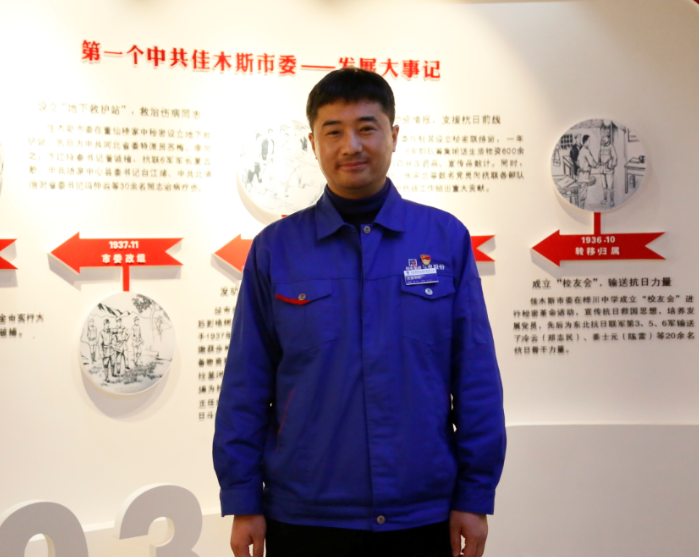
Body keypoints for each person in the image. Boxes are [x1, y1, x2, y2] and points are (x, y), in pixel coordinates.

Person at [213, 68, 505, 557]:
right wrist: (243, 499)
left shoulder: (444, 238)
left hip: (422, 511)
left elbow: (475, 375)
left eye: (367, 128)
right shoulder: (276, 249)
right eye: (334, 131)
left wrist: (475, 495)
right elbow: (247, 382)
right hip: (305, 513)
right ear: (313, 144)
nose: (351, 145)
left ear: (394, 134)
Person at [576, 134, 598, 209]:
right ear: (586, 141)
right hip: (584, 174)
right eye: (589, 141)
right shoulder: (585, 150)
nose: (590, 142)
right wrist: (597, 165)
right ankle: (581, 209)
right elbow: (591, 162)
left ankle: (580, 208)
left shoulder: (582, 150)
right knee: (583, 194)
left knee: (582, 192)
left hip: (582, 174)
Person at [598, 125, 618, 208]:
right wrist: (599, 162)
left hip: (609, 169)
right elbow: (599, 156)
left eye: (605, 137)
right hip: (602, 169)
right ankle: (605, 198)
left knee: (610, 186)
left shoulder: (611, 147)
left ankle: (612, 200)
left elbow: (615, 158)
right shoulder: (601, 146)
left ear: (608, 138)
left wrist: (611, 165)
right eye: (603, 137)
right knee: (604, 185)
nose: (603, 139)